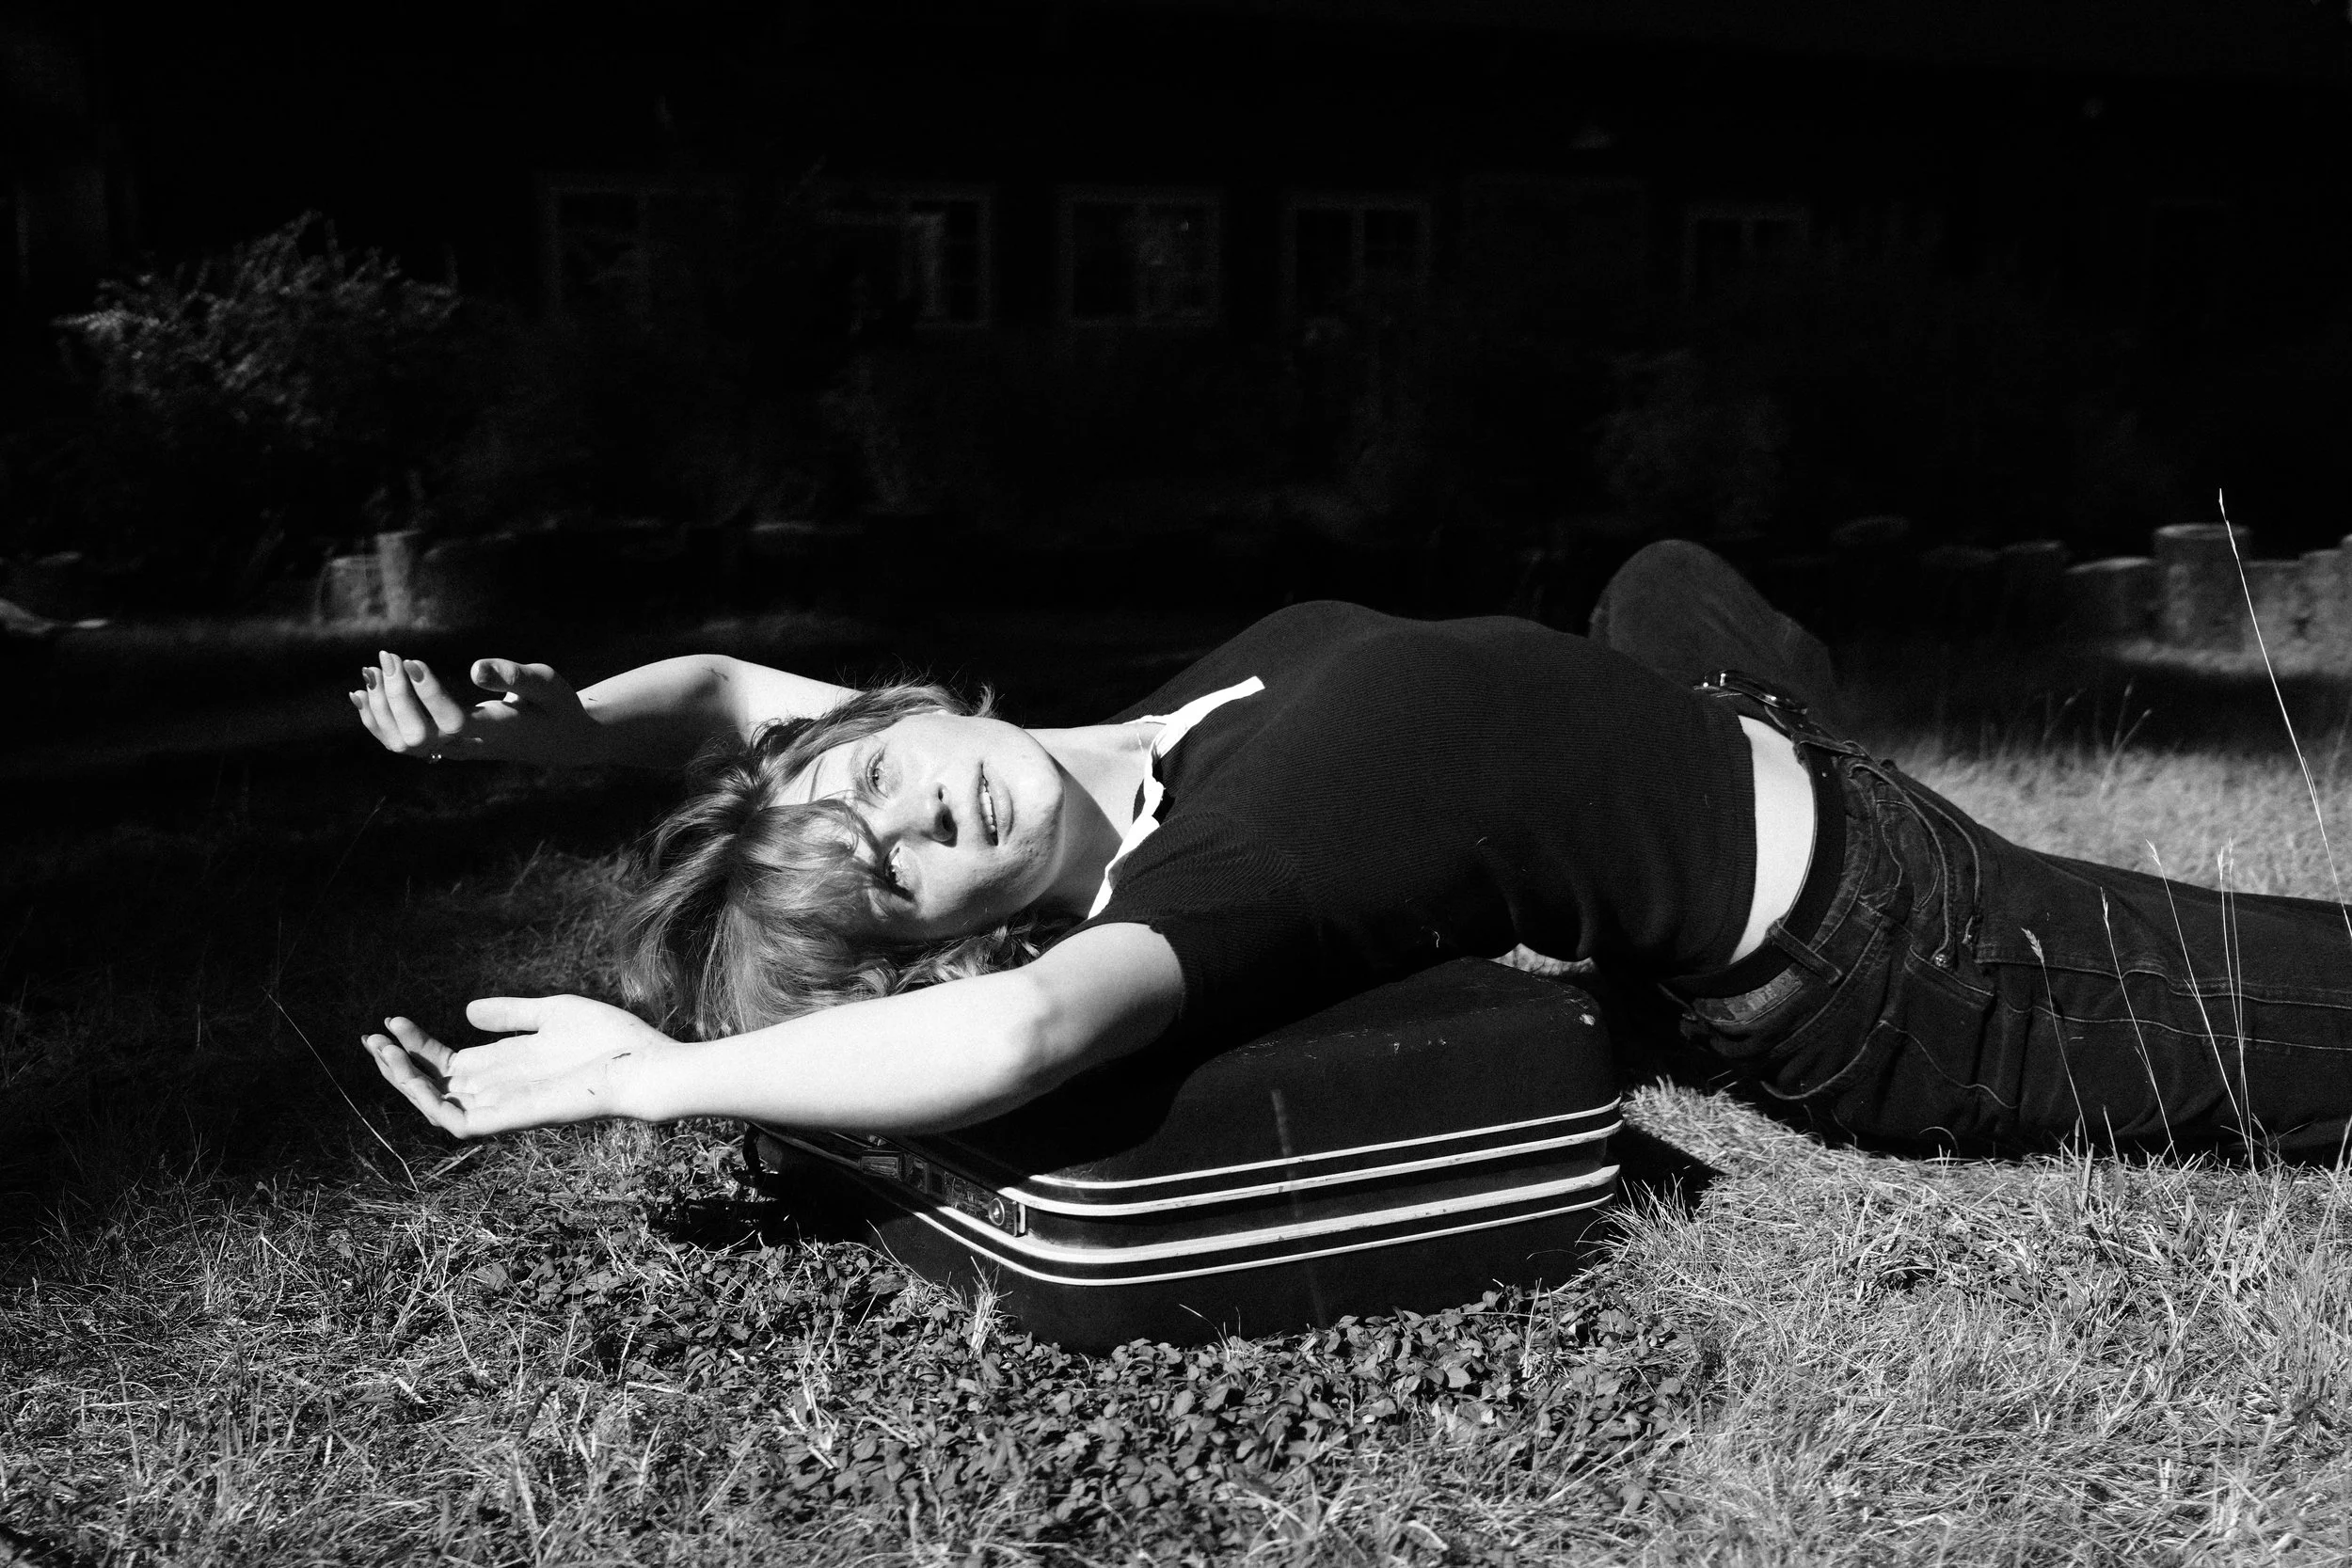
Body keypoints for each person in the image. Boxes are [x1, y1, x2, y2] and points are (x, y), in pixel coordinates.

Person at [353, 546, 2352, 1162]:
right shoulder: (1215, 878)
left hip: (1749, 753)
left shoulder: (1143, 725)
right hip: (1911, 960)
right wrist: (651, 1073)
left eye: (868, 781)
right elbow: (1016, 1041)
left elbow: (723, 688)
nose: (917, 816)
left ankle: (1736, 710)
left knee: (1660, 576)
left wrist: (549, 729)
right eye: (894, 880)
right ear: (940, 944)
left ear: (889, 712)